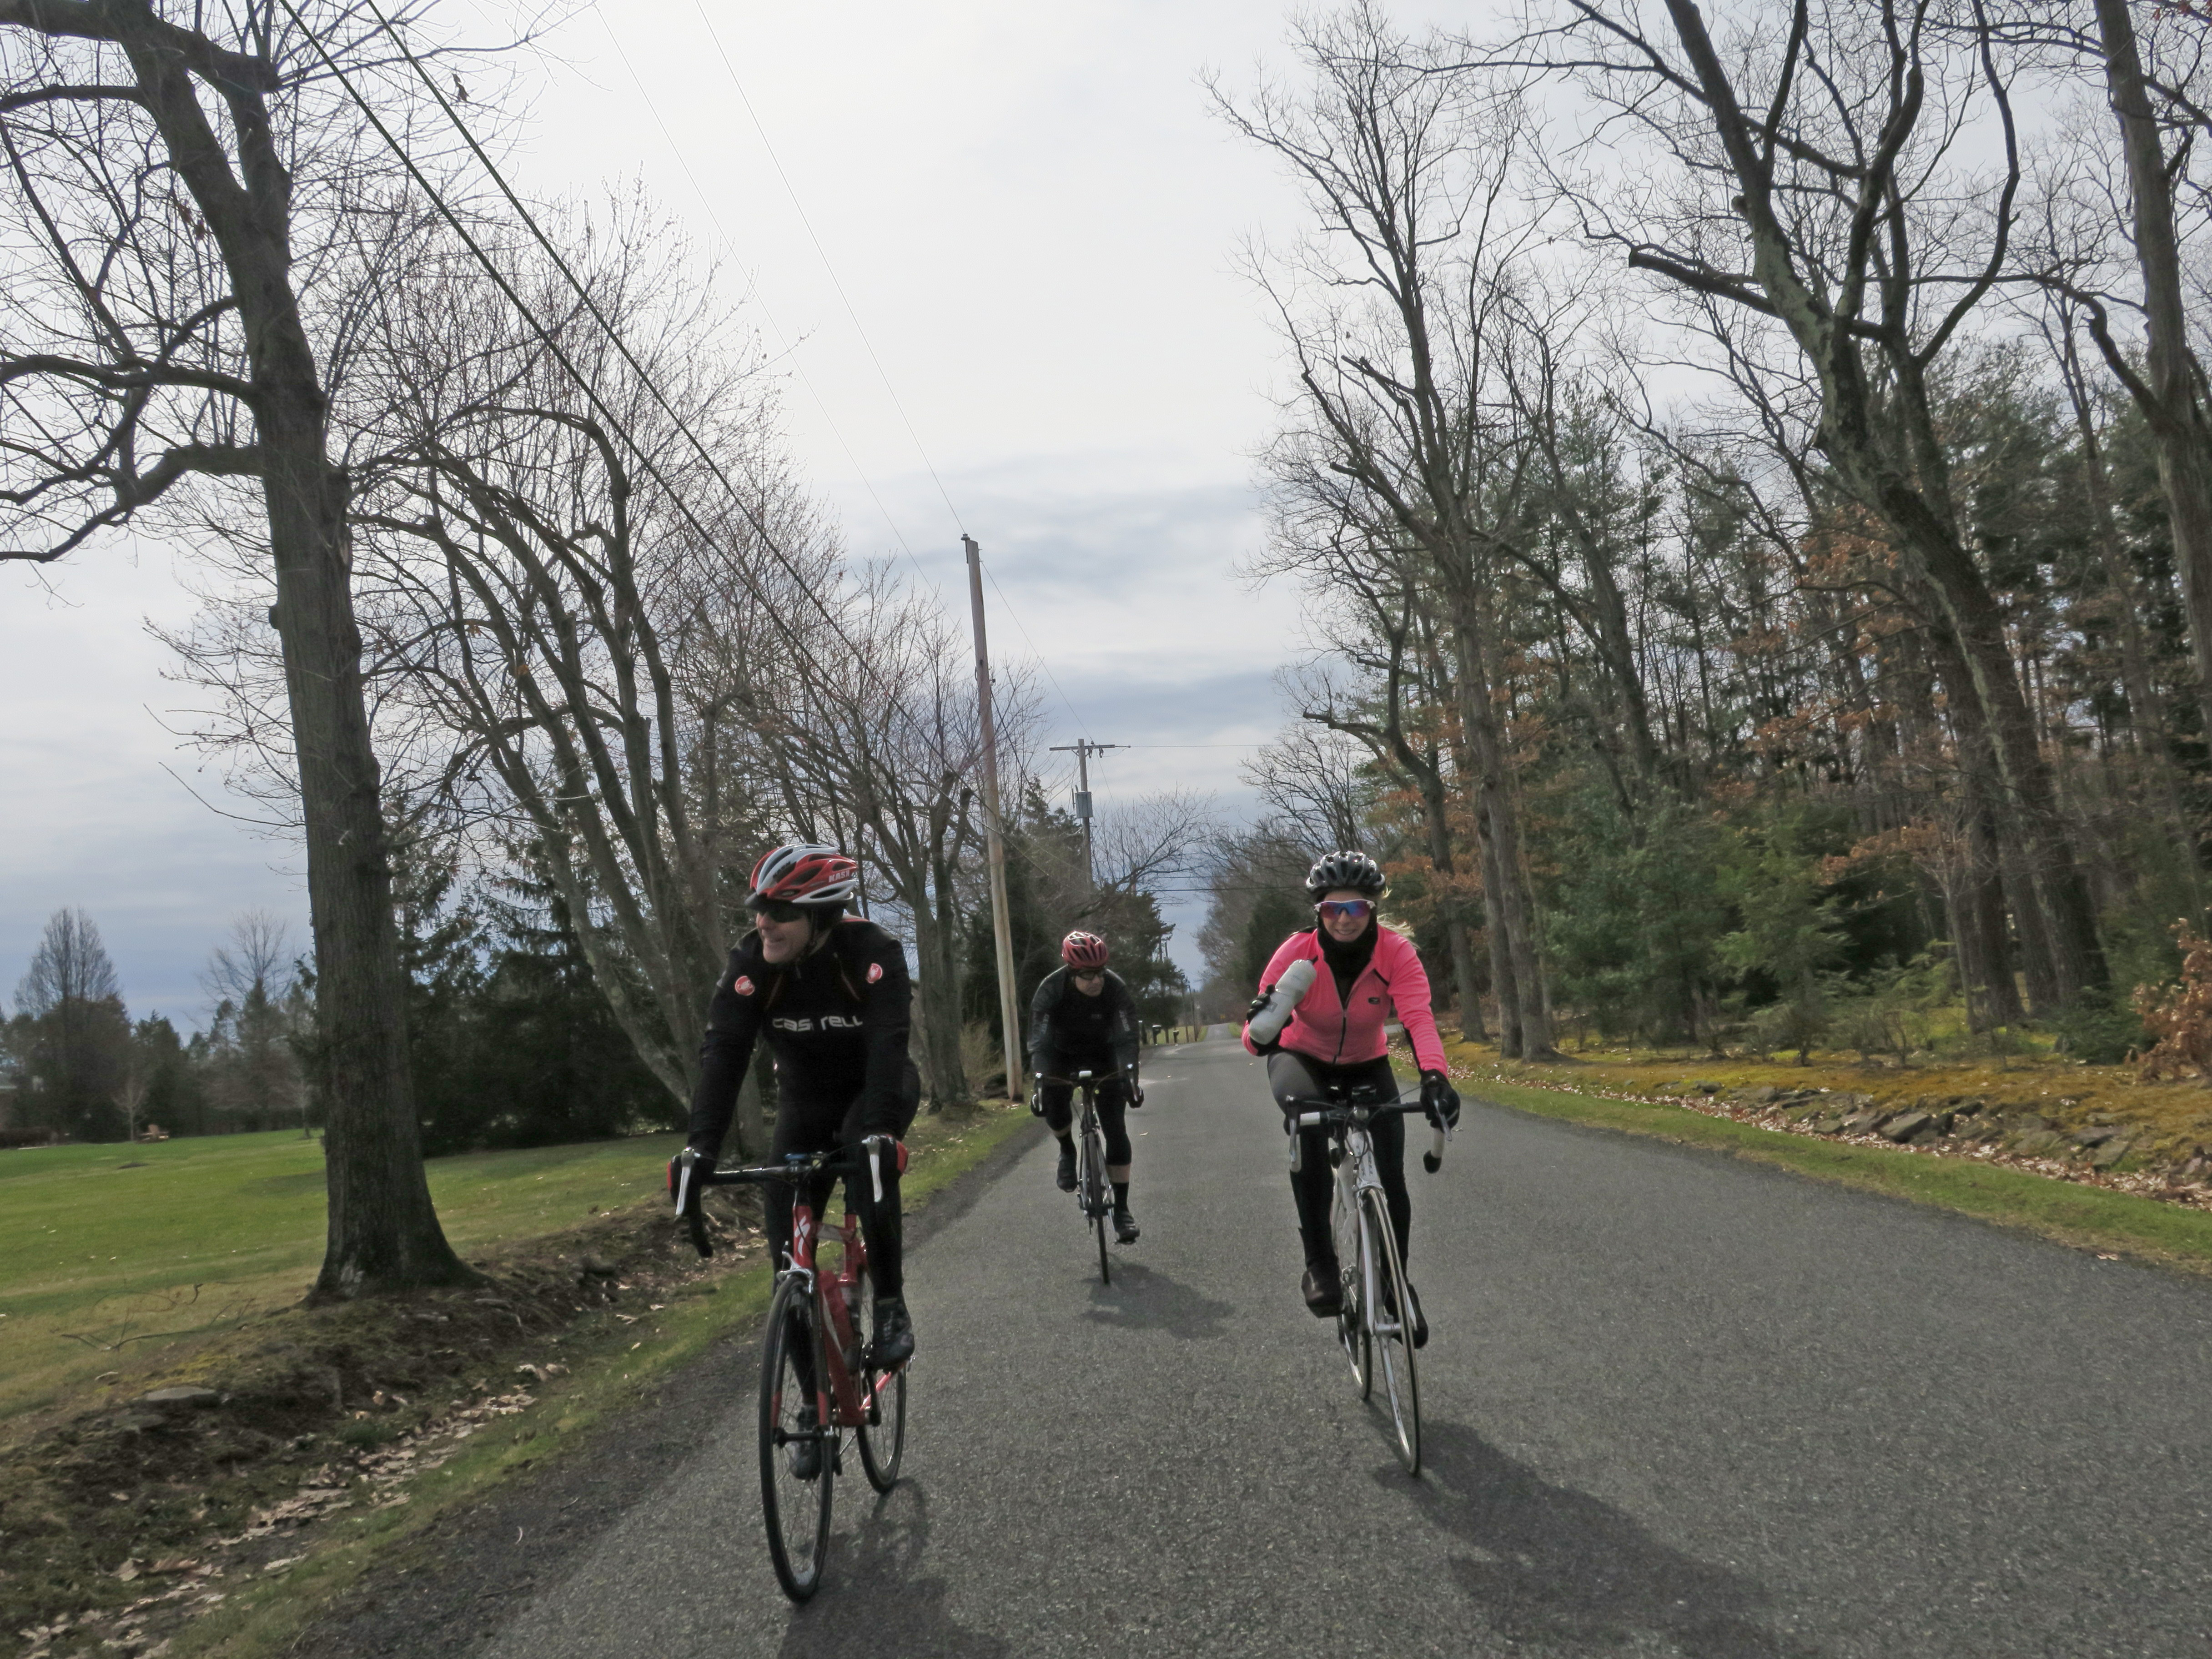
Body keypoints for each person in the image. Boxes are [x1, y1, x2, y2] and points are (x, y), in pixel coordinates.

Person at [678, 842, 922, 1393]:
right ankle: (812, 1403)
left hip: (874, 1089)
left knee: (869, 1160)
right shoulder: (751, 965)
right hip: (804, 1102)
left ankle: (890, 1305)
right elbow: (724, 1054)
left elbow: (889, 1044)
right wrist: (701, 1147)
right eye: (758, 908)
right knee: (787, 1264)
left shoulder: (871, 951)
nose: (763, 923)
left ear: (822, 917)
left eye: (780, 911)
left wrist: (881, 1131)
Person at [1242, 850, 1460, 1346]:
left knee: (1392, 1174)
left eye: (1356, 908)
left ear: (1373, 909)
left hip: (1367, 1061)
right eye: (1332, 909)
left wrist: (1434, 1077)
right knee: (1307, 1124)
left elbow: (1418, 1018)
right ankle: (1319, 1264)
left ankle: (1396, 1284)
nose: (1344, 919)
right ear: (1318, 911)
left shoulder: (1395, 953)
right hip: (1302, 1058)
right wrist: (1267, 1018)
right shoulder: (1296, 953)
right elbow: (1255, 1042)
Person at [1028, 930, 1145, 1244]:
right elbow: (1039, 1042)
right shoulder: (1051, 989)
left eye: (1101, 973)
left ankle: (1122, 1209)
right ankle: (1067, 1150)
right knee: (1053, 1101)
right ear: (1071, 972)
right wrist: (1039, 1079)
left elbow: (1127, 1037)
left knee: (1116, 1129)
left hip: (1105, 1055)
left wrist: (1130, 1077)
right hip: (1061, 1055)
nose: (1096, 981)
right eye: (1087, 975)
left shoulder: (1115, 989)